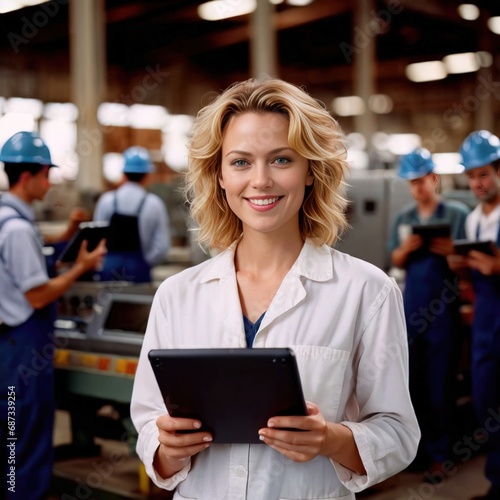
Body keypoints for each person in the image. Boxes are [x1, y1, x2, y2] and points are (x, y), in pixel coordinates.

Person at [130, 78, 420, 499]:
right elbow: (148, 423)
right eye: (241, 162)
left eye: (281, 160)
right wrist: (168, 450)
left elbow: (398, 434)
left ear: (310, 172)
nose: (260, 180)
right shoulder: (178, 295)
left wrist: (330, 439)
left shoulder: (367, 292)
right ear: (220, 176)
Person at [0, 131, 107, 499]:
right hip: (22, 351)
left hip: (10, 346)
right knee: (24, 440)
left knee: (14, 438)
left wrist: (69, 235)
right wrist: (82, 266)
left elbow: (29, 264)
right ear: (29, 176)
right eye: (47, 175)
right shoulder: (15, 229)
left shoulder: (6, 218)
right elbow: (38, 295)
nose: (50, 183)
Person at [387, 148, 469, 480]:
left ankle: (441, 455)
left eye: (422, 180)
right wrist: (404, 251)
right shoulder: (404, 219)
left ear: (434, 179)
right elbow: (393, 261)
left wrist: (453, 254)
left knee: (440, 384)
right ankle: (414, 453)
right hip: (411, 312)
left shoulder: (456, 215)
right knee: (412, 384)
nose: (418, 188)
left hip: (443, 314)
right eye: (412, 182)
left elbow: (467, 263)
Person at [453, 130, 500, 500]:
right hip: (486, 322)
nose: (477, 183)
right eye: (471, 176)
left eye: (483, 174)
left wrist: (495, 266)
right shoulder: (471, 221)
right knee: (486, 399)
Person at [93, 146, 171, 283]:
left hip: (107, 269)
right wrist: (146, 262)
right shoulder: (154, 204)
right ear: (147, 175)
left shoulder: (107, 200)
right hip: (138, 271)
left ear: (123, 173)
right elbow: (161, 247)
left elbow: (96, 238)